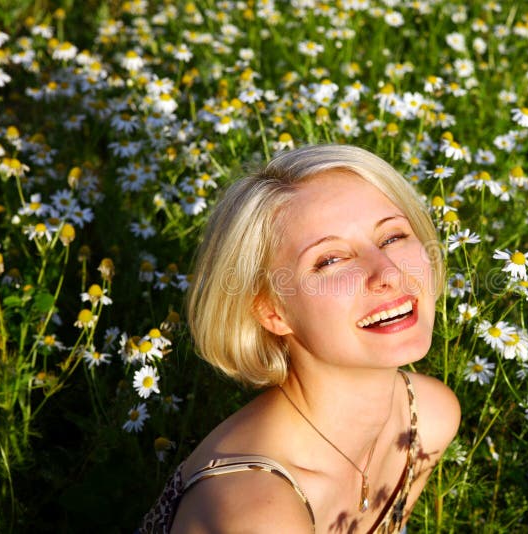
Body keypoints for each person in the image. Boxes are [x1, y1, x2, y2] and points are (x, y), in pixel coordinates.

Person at [140, 144, 461, 533]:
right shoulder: (258, 511)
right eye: (330, 260)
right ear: (272, 311)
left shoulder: (426, 417)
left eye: (392, 236)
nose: (388, 272)